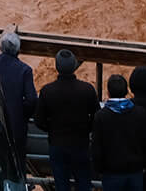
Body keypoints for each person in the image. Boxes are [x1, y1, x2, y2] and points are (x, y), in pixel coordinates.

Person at [36, 49, 98, 191]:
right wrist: (85, 129)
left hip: (57, 144)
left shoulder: (47, 91)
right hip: (80, 144)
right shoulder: (87, 89)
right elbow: (97, 117)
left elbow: (39, 120)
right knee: (83, 183)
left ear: (57, 66)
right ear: (74, 65)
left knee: (61, 185)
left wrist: (52, 129)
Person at [92, 73, 146, 191]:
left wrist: (98, 168)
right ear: (126, 91)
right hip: (135, 170)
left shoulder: (101, 116)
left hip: (111, 171)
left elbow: (96, 146)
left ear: (108, 92)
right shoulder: (140, 113)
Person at [0, 31, 37, 165]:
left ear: (1, 48)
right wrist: (22, 114)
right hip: (15, 126)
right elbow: (32, 100)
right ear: (18, 50)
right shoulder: (24, 70)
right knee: (17, 164)